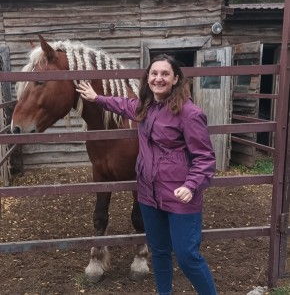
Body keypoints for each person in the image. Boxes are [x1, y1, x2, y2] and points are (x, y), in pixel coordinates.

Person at [76, 54, 217, 295]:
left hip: (180, 196)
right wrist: (96, 98)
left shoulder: (190, 114)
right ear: (147, 79)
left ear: (175, 80)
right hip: (149, 195)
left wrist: (191, 186)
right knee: (159, 252)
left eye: (164, 74)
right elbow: (122, 105)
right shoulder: (145, 107)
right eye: (154, 74)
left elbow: (205, 158)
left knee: (187, 256)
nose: (158, 78)